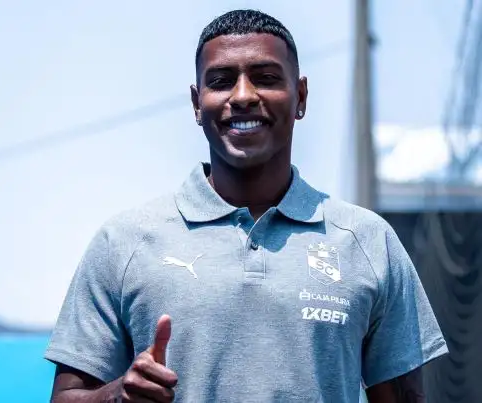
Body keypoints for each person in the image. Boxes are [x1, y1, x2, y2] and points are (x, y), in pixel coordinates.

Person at [45, 9, 448, 403]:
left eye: (266, 78)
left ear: (300, 96)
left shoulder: (368, 241)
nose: (242, 96)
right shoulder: (124, 242)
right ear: (197, 103)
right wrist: (118, 395)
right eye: (221, 81)